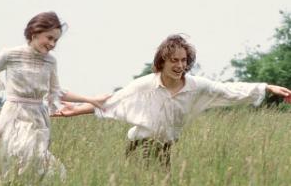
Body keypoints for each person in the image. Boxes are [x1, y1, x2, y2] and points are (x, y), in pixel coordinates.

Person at [55, 34, 291, 167]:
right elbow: (111, 101)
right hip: (141, 147)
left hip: (166, 148)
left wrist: (266, 87)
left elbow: (229, 91)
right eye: (174, 61)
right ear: (162, 62)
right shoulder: (146, 84)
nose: (180, 66)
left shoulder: (196, 86)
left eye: (184, 60)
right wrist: (73, 111)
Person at [0, 11, 106, 183]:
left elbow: (57, 91)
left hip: (37, 117)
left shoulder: (50, 62)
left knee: (36, 160)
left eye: (56, 40)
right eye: (49, 38)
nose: (52, 44)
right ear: (34, 33)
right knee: (12, 156)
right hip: (13, 114)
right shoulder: (10, 54)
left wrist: (90, 100)